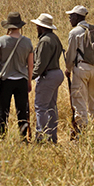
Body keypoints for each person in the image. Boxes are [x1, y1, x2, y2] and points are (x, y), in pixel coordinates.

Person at [0, 12, 34, 139]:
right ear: (20, 26)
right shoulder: (27, 42)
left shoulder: (1, 41)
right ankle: (23, 137)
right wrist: (29, 81)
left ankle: (2, 136)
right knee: (22, 110)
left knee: (3, 110)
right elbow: (30, 64)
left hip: (5, 80)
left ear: (8, 26)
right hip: (21, 80)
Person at [65, 5, 94, 134]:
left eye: (71, 16)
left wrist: (68, 69)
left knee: (79, 99)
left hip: (81, 68)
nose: (70, 19)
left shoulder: (75, 32)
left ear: (76, 17)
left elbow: (70, 55)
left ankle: (81, 130)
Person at [31, 13, 64, 143]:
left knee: (41, 107)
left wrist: (31, 77)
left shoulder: (44, 41)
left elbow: (40, 64)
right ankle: (52, 136)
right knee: (51, 107)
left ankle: (41, 136)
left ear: (41, 27)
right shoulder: (54, 38)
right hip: (56, 73)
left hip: (48, 75)